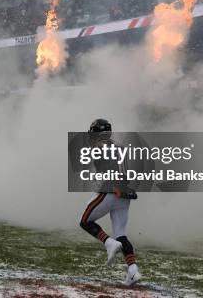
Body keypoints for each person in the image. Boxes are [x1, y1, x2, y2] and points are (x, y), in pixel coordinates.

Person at [78, 118, 141, 286]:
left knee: (85, 221)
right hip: (123, 197)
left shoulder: (99, 147)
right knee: (121, 234)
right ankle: (133, 269)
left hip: (110, 192)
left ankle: (109, 243)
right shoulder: (119, 148)